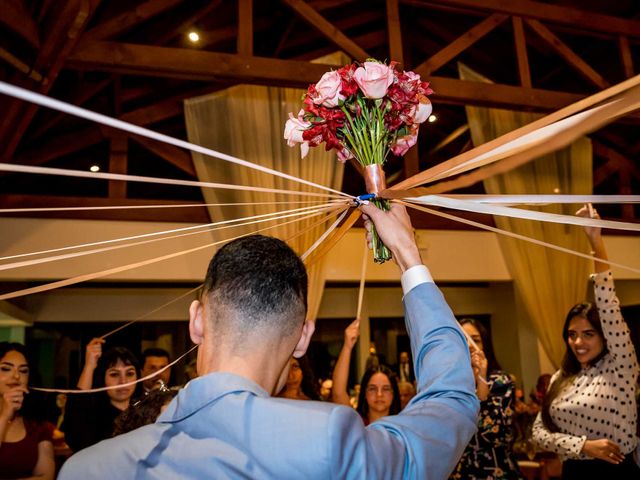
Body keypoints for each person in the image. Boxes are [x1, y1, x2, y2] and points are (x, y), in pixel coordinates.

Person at [59, 202, 479, 479]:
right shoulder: (331, 441)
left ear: (196, 321)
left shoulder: (88, 469)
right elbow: (451, 406)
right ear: (303, 338)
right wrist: (409, 256)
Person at [532, 205, 639, 478]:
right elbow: (538, 433)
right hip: (573, 472)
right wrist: (583, 446)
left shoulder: (621, 367)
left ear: (605, 336)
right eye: (572, 334)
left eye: (588, 334)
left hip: (616, 471)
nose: (578, 341)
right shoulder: (561, 377)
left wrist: (595, 240)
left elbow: (607, 302)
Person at [450, 318, 523, 479]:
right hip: (461, 472)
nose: (469, 345)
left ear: (484, 345)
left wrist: (481, 378)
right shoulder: (451, 386)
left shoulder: (501, 381)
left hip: (496, 469)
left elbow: (494, 433)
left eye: (475, 340)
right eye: (463, 340)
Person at [63, 341, 140, 452]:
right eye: (114, 374)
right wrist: (89, 366)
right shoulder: (93, 418)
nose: (123, 381)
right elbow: (75, 434)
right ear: (102, 378)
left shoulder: (144, 413)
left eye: (129, 373)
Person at [0, 342, 55, 480]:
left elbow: (46, 476)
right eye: (6, 369)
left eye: (23, 371)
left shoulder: (36, 424)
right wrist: (4, 415)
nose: (16, 376)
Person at [332, 320, 401, 425]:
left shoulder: (403, 426)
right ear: (364, 393)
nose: (379, 394)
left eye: (386, 389)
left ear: (393, 393)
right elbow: (338, 394)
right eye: (372, 389)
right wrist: (347, 346)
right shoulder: (356, 424)